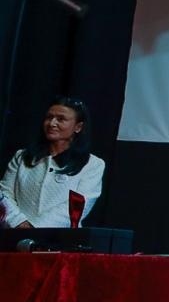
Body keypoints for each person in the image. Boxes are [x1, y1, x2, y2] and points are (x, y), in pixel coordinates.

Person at [0, 97, 104, 230]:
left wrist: (35, 228)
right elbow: (4, 193)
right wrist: (18, 222)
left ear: (78, 127)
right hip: (15, 235)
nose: (52, 123)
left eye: (61, 119)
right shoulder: (22, 156)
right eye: (49, 117)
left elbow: (79, 205)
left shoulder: (92, 164)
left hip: (61, 240)